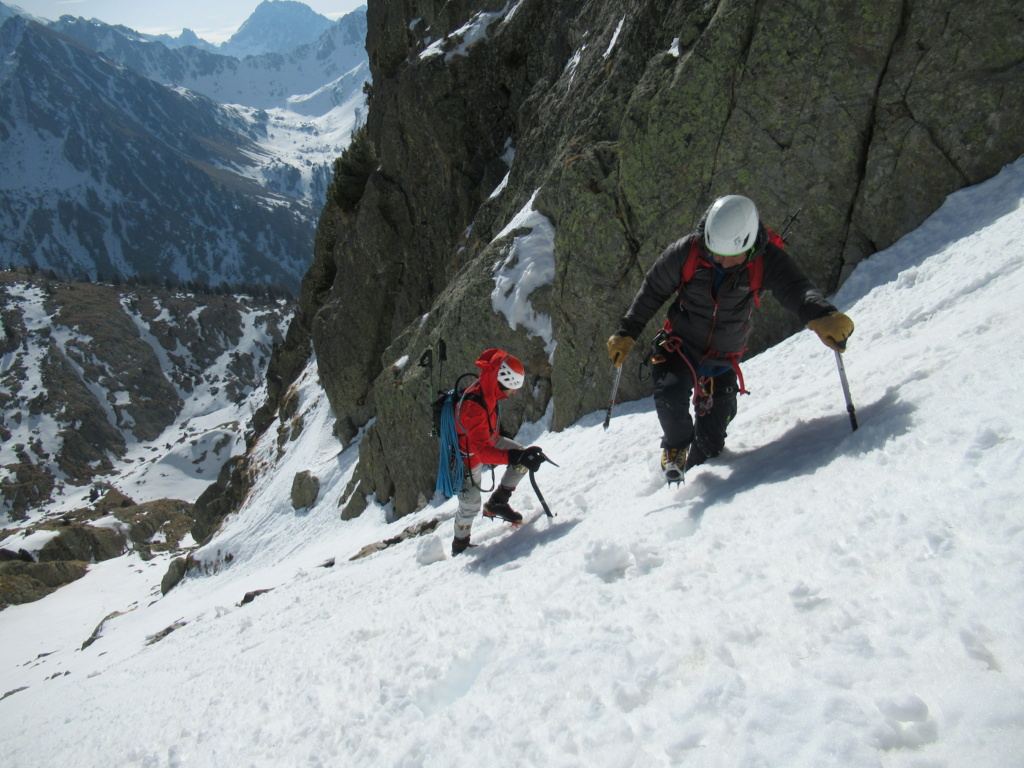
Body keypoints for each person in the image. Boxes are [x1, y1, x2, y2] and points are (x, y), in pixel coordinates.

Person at [606, 194, 854, 483]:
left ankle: (700, 462)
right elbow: (653, 290)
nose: (720, 260)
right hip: (679, 346)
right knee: (670, 397)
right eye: (714, 251)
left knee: (710, 447)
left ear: (749, 245)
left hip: (721, 359)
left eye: (729, 254)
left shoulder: (765, 260)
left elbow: (796, 288)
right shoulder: (688, 251)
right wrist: (627, 332)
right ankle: (675, 447)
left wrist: (822, 314)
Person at [451, 348, 546, 556]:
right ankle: (460, 545)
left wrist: (517, 455)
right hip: (468, 457)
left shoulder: (489, 391)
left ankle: (497, 502)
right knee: (470, 504)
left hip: (488, 442)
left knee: (522, 455)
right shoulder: (474, 406)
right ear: (502, 381)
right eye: (512, 388)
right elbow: (483, 452)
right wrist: (512, 456)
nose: (513, 394)